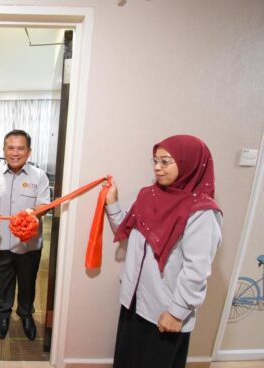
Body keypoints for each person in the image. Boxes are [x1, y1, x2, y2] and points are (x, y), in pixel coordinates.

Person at [104, 135, 223, 368]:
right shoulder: (148, 196)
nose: (158, 168)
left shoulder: (202, 212)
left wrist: (177, 313)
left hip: (165, 309)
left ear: (190, 164)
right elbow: (126, 229)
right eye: (155, 161)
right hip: (134, 302)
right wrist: (112, 202)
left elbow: (196, 269)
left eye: (166, 161)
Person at [0, 130, 50, 340]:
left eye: (20, 148)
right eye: (10, 148)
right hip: (0, 241)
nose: (15, 153)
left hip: (28, 245)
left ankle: (25, 314)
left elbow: (43, 204)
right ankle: (3, 314)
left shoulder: (39, 176)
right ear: (4, 150)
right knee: (3, 283)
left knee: (27, 282)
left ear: (29, 152)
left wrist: (33, 212)